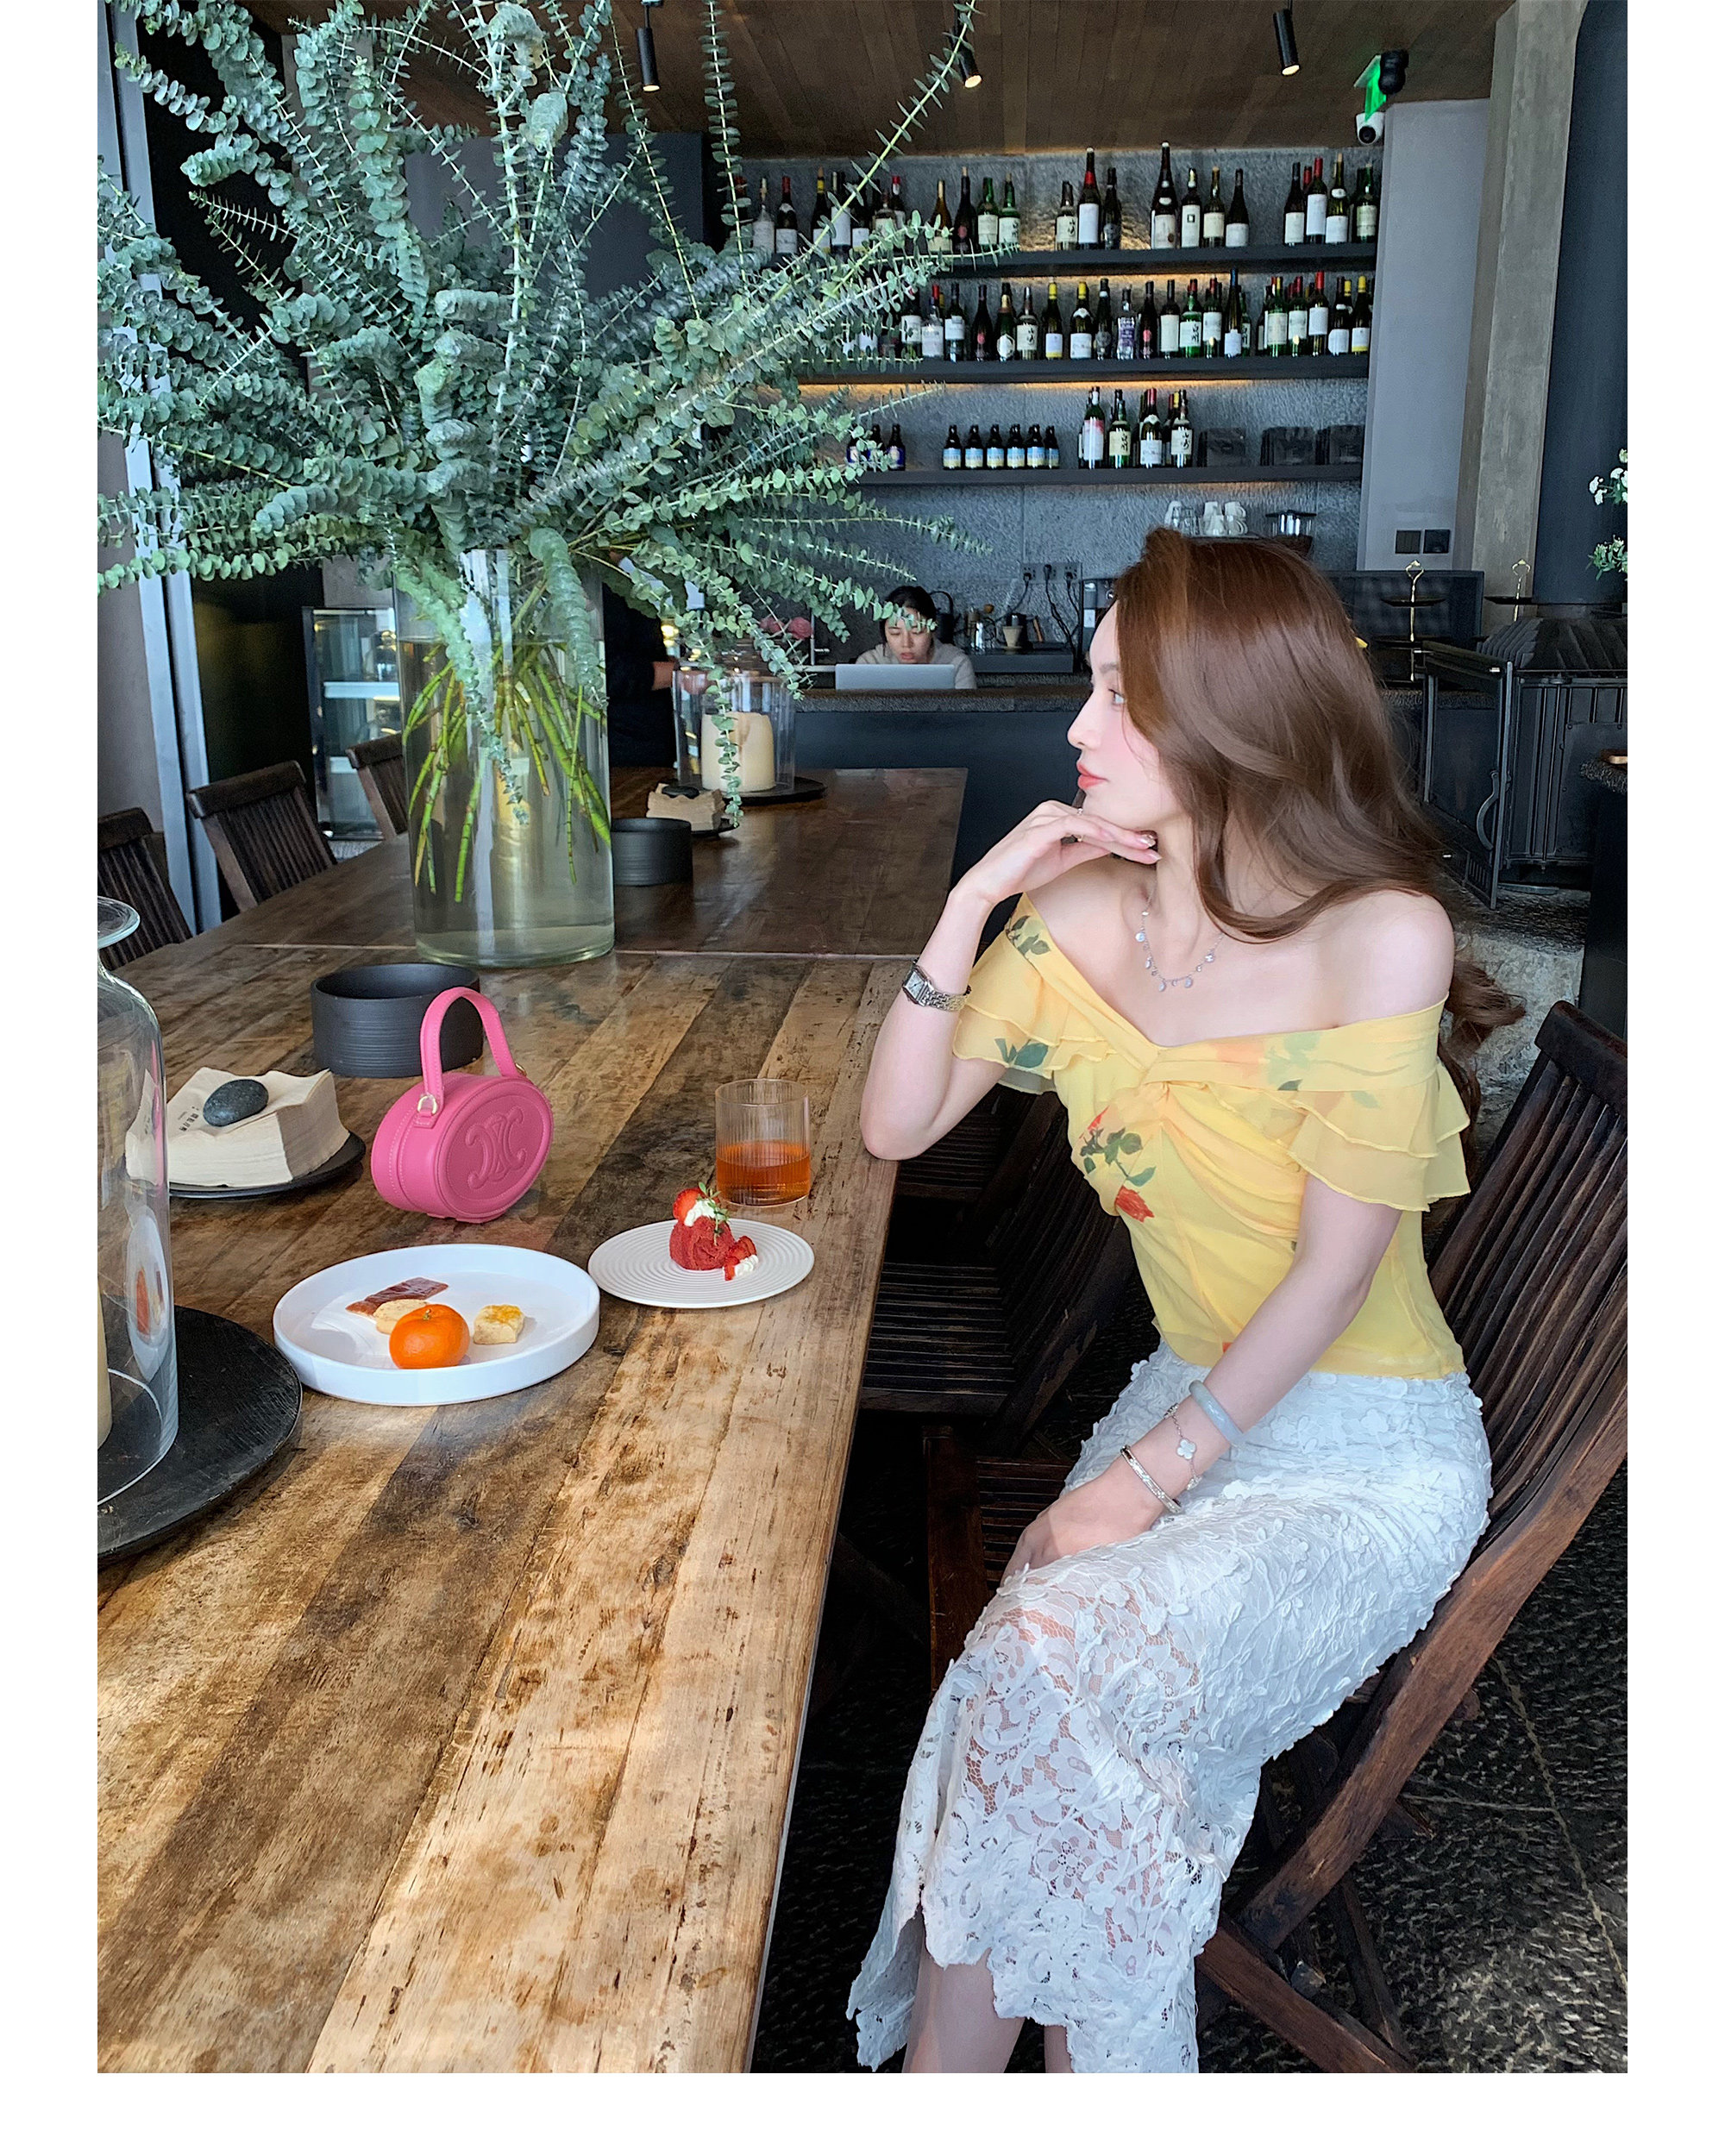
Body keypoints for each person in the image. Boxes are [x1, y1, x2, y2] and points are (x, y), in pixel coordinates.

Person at [847, 528, 1521, 2074]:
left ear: (1232, 718)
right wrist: (974, 902)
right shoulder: (1083, 921)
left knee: (1039, 1668)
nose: (1077, 728)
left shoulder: (1379, 935)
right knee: (1041, 1685)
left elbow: (1335, 1273)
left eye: (1118, 698)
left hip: (1365, 1456)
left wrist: (1142, 1481)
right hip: (1191, 1399)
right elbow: (895, 1126)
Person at [600, 583, 676, 764]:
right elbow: (609, 672)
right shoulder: (595, 588)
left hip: (648, 741)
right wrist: (681, 674)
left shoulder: (618, 584)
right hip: (624, 750)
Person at [854, 585, 977, 689]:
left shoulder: (955, 663)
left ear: (932, 629)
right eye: (895, 633)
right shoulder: (869, 664)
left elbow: (966, 710)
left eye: (917, 632)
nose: (906, 644)